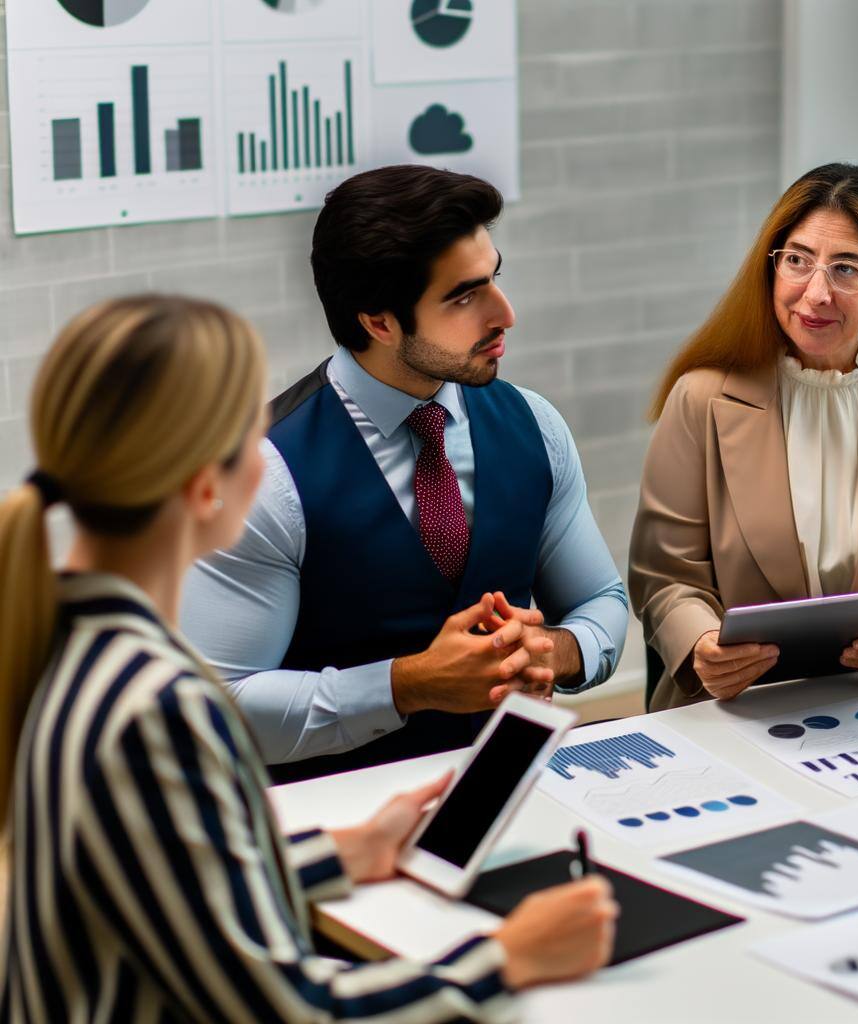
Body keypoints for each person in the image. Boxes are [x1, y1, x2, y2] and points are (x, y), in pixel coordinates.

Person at [0, 296, 618, 1022]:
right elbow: (295, 1010)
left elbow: (165, 881)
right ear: (207, 484)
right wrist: (510, 956)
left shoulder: (65, 643)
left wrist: (345, 852)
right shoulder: (157, 708)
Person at [183, 165, 629, 782]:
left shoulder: (536, 425)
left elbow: (601, 602)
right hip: (338, 828)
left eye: (494, 277)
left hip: (512, 792)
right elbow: (216, 709)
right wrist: (405, 686)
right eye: (464, 296)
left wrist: (555, 650)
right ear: (379, 321)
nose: (505, 314)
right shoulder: (260, 475)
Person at [630, 162, 858, 710]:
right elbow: (664, 577)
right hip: (732, 707)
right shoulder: (701, 398)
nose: (816, 293)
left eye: (846, 269)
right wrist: (701, 644)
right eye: (797, 261)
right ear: (771, 268)